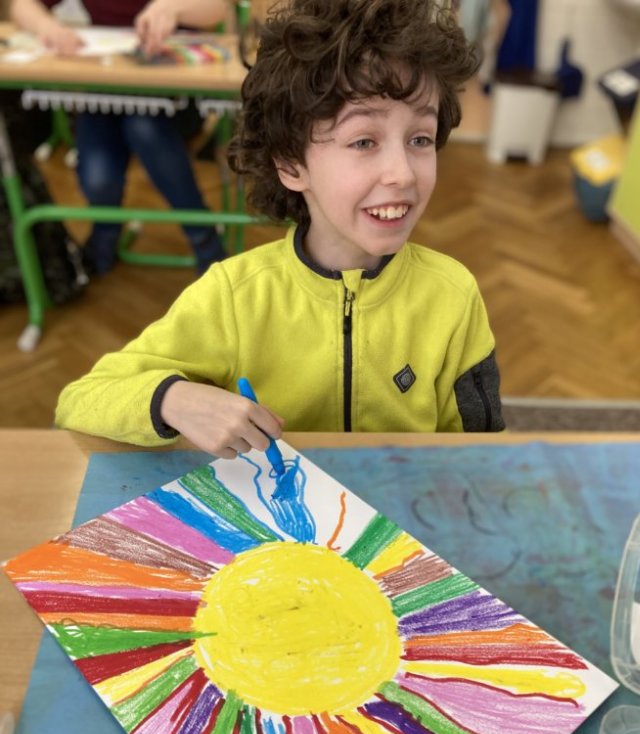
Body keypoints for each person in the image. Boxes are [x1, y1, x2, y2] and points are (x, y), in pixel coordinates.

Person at [55, 0, 505, 458]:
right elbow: (81, 399)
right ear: (291, 165)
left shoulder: (454, 296)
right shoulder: (234, 297)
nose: (402, 174)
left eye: (420, 139)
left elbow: (481, 457)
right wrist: (172, 398)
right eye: (364, 141)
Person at [9, 0, 228, 275]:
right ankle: (106, 230)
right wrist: (47, 26)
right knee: (98, 176)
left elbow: (217, 8)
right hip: (107, 83)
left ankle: (202, 235)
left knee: (144, 127)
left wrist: (172, 8)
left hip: (173, 89)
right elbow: (22, 5)